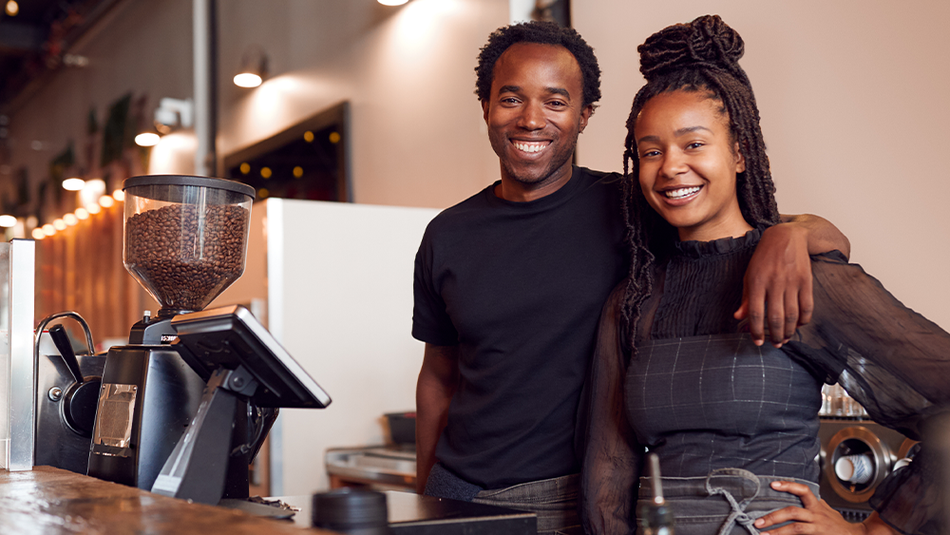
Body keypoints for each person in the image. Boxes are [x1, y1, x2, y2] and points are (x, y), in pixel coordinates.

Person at [413, 20, 848, 535]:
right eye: (511, 99)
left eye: (555, 102)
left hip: (572, 496)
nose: (531, 119)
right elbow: (438, 376)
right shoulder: (447, 234)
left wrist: (789, 235)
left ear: (584, 115)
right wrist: (424, 496)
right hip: (457, 491)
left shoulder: (630, 208)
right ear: (485, 105)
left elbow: (768, 233)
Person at [580, 14, 950, 535]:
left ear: (739, 153)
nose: (669, 167)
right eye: (650, 151)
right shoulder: (634, 300)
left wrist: (871, 530)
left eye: (693, 144)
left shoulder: (806, 277)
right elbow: (609, 472)